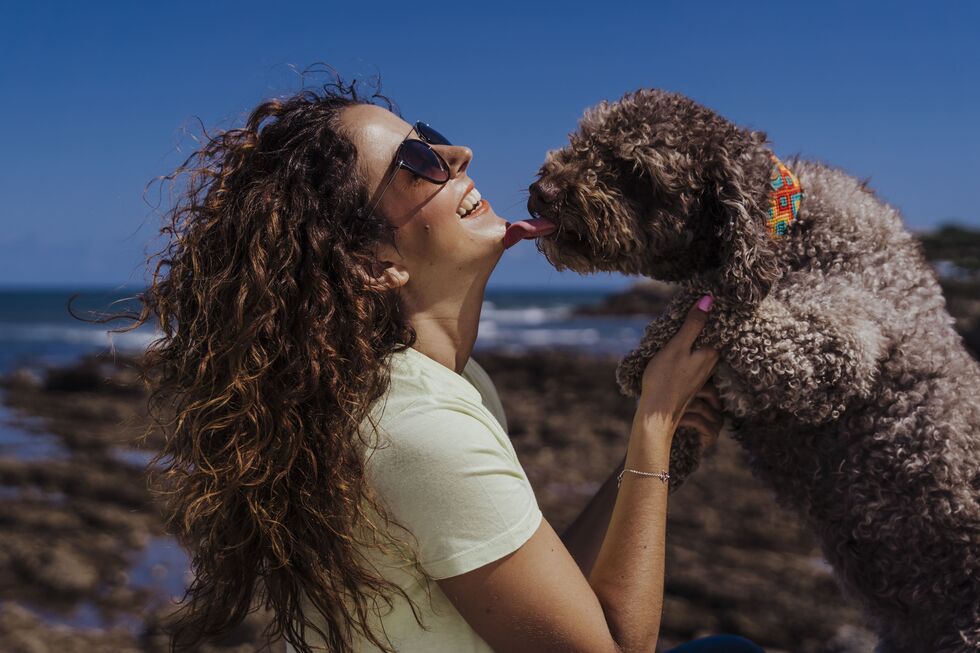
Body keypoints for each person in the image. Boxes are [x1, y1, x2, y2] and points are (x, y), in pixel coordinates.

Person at [128, 74, 765, 653]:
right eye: (416, 162)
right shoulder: (420, 428)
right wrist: (655, 418)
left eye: (431, 138)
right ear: (374, 265)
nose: (456, 154)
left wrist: (664, 450)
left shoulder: (445, 382)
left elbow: (545, 603)